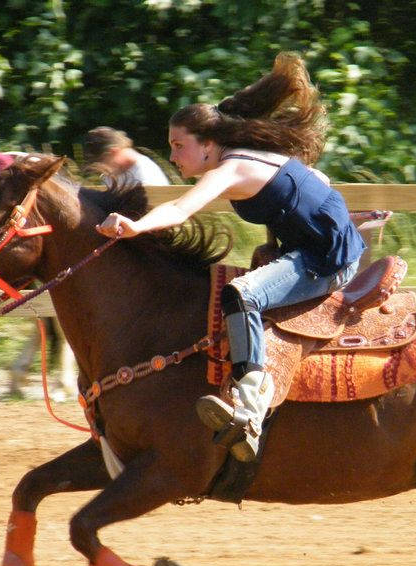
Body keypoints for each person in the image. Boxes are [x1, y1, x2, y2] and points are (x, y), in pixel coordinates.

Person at [96, 53, 365, 462]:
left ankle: (250, 405)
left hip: (325, 262)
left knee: (242, 294)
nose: (173, 156)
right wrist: (340, 222)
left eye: (179, 145)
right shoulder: (251, 156)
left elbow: (179, 211)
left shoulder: (231, 169)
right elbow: (319, 182)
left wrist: (134, 228)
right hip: (317, 249)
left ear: (208, 144)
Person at [83, 126, 171, 188]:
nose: (102, 169)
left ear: (113, 152)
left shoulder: (147, 173)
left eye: (102, 161)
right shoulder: (110, 176)